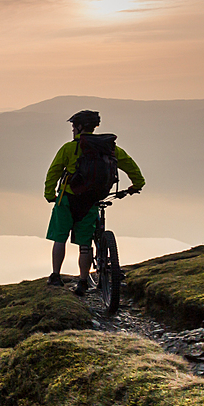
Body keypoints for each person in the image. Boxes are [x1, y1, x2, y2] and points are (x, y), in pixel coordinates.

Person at [45, 110, 144, 294]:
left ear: (80, 127)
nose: (73, 129)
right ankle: (83, 281)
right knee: (85, 243)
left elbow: (54, 172)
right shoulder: (110, 148)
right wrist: (137, 184)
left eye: (74, 126)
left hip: (67, 198)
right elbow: (130, 165)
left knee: (60, 238)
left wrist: (49, 194)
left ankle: (56, 276)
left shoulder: (69, 148)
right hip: (90, 200)